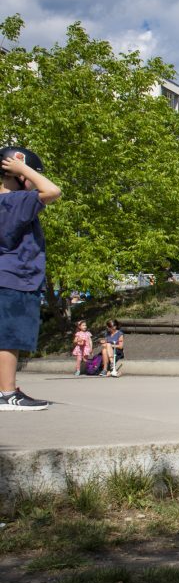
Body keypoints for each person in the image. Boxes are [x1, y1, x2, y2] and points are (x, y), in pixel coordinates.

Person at [0, 146, 62, 410]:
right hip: (16, 276)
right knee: (9, 338)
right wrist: (22, 167)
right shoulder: (17, 201)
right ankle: (7, 393)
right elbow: (53, 191)